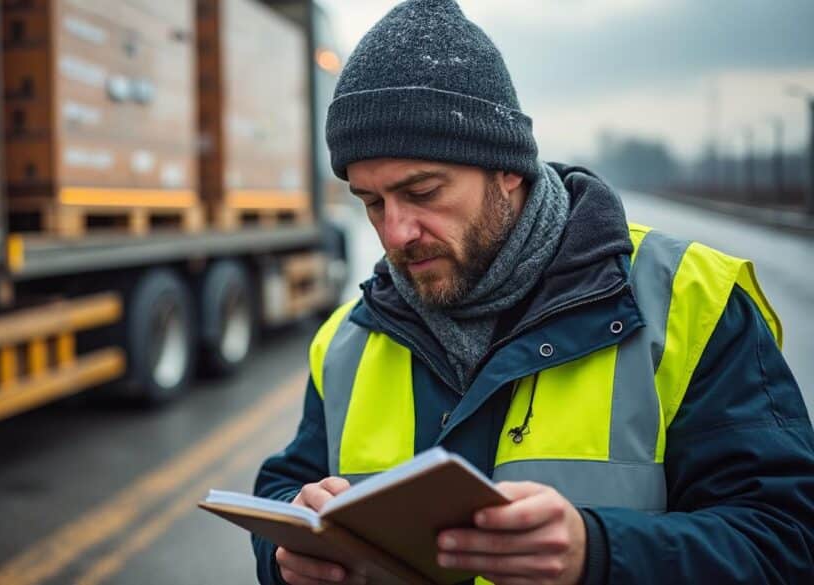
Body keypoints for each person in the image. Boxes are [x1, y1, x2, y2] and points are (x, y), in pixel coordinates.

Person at [251, 0, 814, 583]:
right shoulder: (347, 341)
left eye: (422, 191)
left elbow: (787, 541)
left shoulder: (692, 302)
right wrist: (286, 557)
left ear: (507, 169)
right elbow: (285, 492)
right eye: (372, 202)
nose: (396, 233)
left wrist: (598, 554)